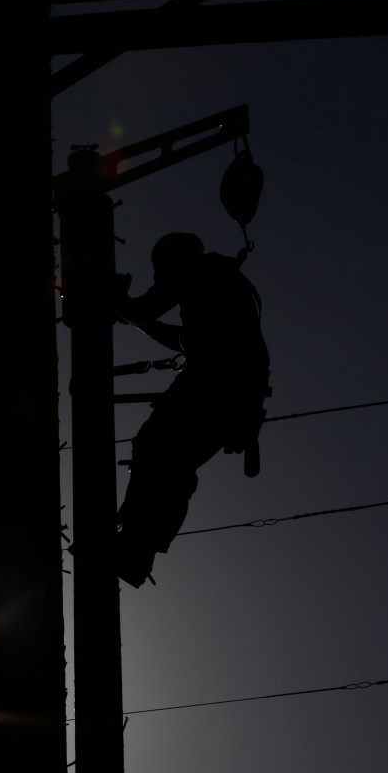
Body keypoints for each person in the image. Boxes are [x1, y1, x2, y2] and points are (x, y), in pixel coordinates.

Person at [114, 232, 271, 587]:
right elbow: (181, 337)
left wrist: (117, 300)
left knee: (155, 449)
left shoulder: (195, 270)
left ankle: (134, 545)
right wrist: (132, 313)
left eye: (159, 270)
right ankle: (137, 551)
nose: (160, 278)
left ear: (173, 258)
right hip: (238, 394)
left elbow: (146, 309)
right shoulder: (221, 282)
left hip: (214, 385)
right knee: (173, 465)